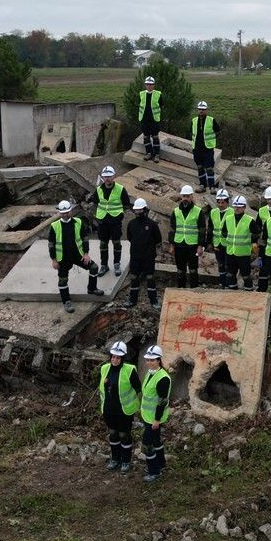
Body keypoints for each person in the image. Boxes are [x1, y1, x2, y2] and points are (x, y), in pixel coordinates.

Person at [49, 199, 100, 313]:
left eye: (67, 212)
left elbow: (84, 238)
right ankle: (66, 301)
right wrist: (54, 260)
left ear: (71, 211)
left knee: (94, 268)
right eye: (63, 213)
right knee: (62, 280)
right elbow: (51, 244)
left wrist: (86, 254)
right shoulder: (54, 226)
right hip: (62, 258)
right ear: (59, 213)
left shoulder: (78, 222)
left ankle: (92, 289)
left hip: (78, 255)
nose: (65, 215)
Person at [99, 340, 142, 474]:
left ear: (123, 358)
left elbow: (138, 388)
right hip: (108, 409)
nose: (115, 359)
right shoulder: (104, 368)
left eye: (118, 357)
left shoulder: (129, 370)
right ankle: (115, 459)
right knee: (113, 434)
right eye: (113, 356)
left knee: (124, 435)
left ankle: (126, 461)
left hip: (124, 410)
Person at [140, 344, 172, 483]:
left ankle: (154, 472)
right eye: (147, 360)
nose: (149, 362)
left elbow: (162, 401)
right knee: (156, 440)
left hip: (154, 418)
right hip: (148, 415)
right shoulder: (151, 373)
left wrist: (157, 420)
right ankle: (161, 463)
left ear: (159, 360)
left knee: (147, 444)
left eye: (152, 360)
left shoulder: (163, 378)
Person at [91, 165, 130, 276]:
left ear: (114, 176)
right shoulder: (98, 190)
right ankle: (104, 265)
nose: (107, 179)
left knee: (116, 243)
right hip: (103, 221)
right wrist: (97, 217)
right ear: (102, 177)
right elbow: (95, 203)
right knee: (103, 244)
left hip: (115, 221)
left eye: (109, 176)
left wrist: (120, 215)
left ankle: (116, 264)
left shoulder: (120, 189)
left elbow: (126, 204)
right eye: (105, 176)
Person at [126, 198, 162, 310]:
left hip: (148, 257)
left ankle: (154, 301)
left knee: (150, 278)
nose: (138, 212)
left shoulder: (152, 225)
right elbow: (129, 237)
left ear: (145, 210)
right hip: (135, 256)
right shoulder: (131, 224)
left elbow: (158, 239)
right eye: (136, 210)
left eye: (140, 210)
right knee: (134, 277)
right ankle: (132, 300)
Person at [169, 185, 208, 288]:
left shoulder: (198, 211)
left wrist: (200, 246)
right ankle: (181, 289)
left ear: (192, 197)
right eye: (184, 196)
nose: (185, 199)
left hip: (192, 246)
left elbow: (202, 230)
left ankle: (194, 290)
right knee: (180, 270)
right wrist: (172, 245)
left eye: (187, 196)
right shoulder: (176, 211)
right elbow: (172, 229)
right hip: (179, 245)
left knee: (193, 270)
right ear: (181, 197)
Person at [223, 194, 260, 290]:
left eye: (239, 207)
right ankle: (232, 293)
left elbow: (256, 233)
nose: (237, 208)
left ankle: (248, 294)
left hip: (243, 253)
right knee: (230, 274)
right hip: (230, 252)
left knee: (246, 276)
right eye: (235, 206)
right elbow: (224, 232)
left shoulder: (249, 220)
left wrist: (252, 241)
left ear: (244, 207)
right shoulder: (228, 219)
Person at [190, 101, 220, 191]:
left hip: (207, 148)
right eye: (199, 109)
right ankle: (202, 185)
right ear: (197, 110)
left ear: (206, 110)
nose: (201, 111)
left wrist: (212, 141)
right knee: (200, 167)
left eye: (203, 109)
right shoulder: (194, 120)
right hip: (197, 148)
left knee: (209, 168)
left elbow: (217, 131)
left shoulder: (211, 120)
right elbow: (191, 132)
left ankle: (212, 187)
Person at [207, 188, 232, 287]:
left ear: (227, 202)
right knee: (221, 265)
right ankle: (222, 284)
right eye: (219, 202)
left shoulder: (232, 212)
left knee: (228, 266)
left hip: (228, 244)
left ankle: (229, 285)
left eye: (223, 202)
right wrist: (209, 243)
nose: (221, 205)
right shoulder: (213, 212)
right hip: (217, 243)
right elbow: (210, 228)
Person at [138, 75, 162, 161]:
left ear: (154, 85)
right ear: (145, 85)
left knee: (155, 137)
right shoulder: (141, 94)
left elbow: (162, 104)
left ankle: (157, 154)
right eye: (147, 84)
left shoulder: (158, 94)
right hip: (144, 120)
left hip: (154, 120)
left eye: (151, 84)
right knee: (146, 137)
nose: (149, 86)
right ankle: (149, 153)